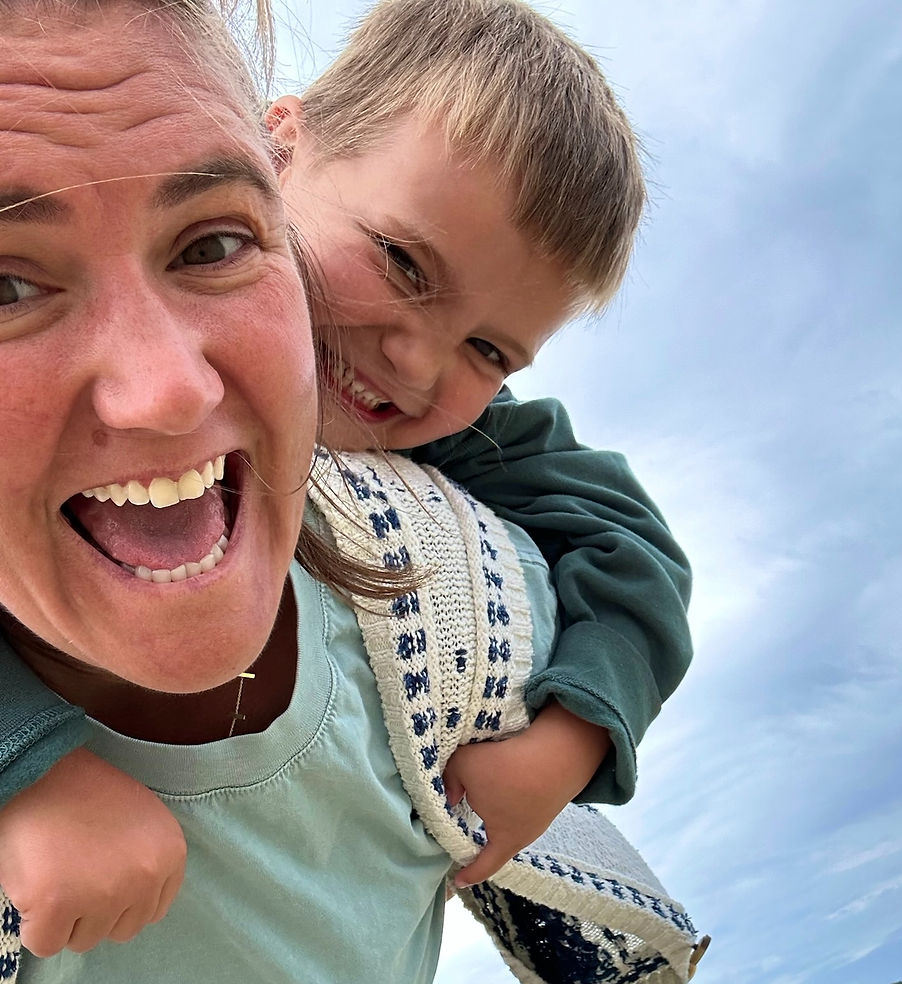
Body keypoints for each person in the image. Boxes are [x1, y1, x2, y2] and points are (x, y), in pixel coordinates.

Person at [0, 0, 701, 975]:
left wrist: (574, 734)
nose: (417, 363)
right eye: (402, 264)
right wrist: (26, 763)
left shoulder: (458, 464)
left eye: (489, 350)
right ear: (280, 151)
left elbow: (625, 535)